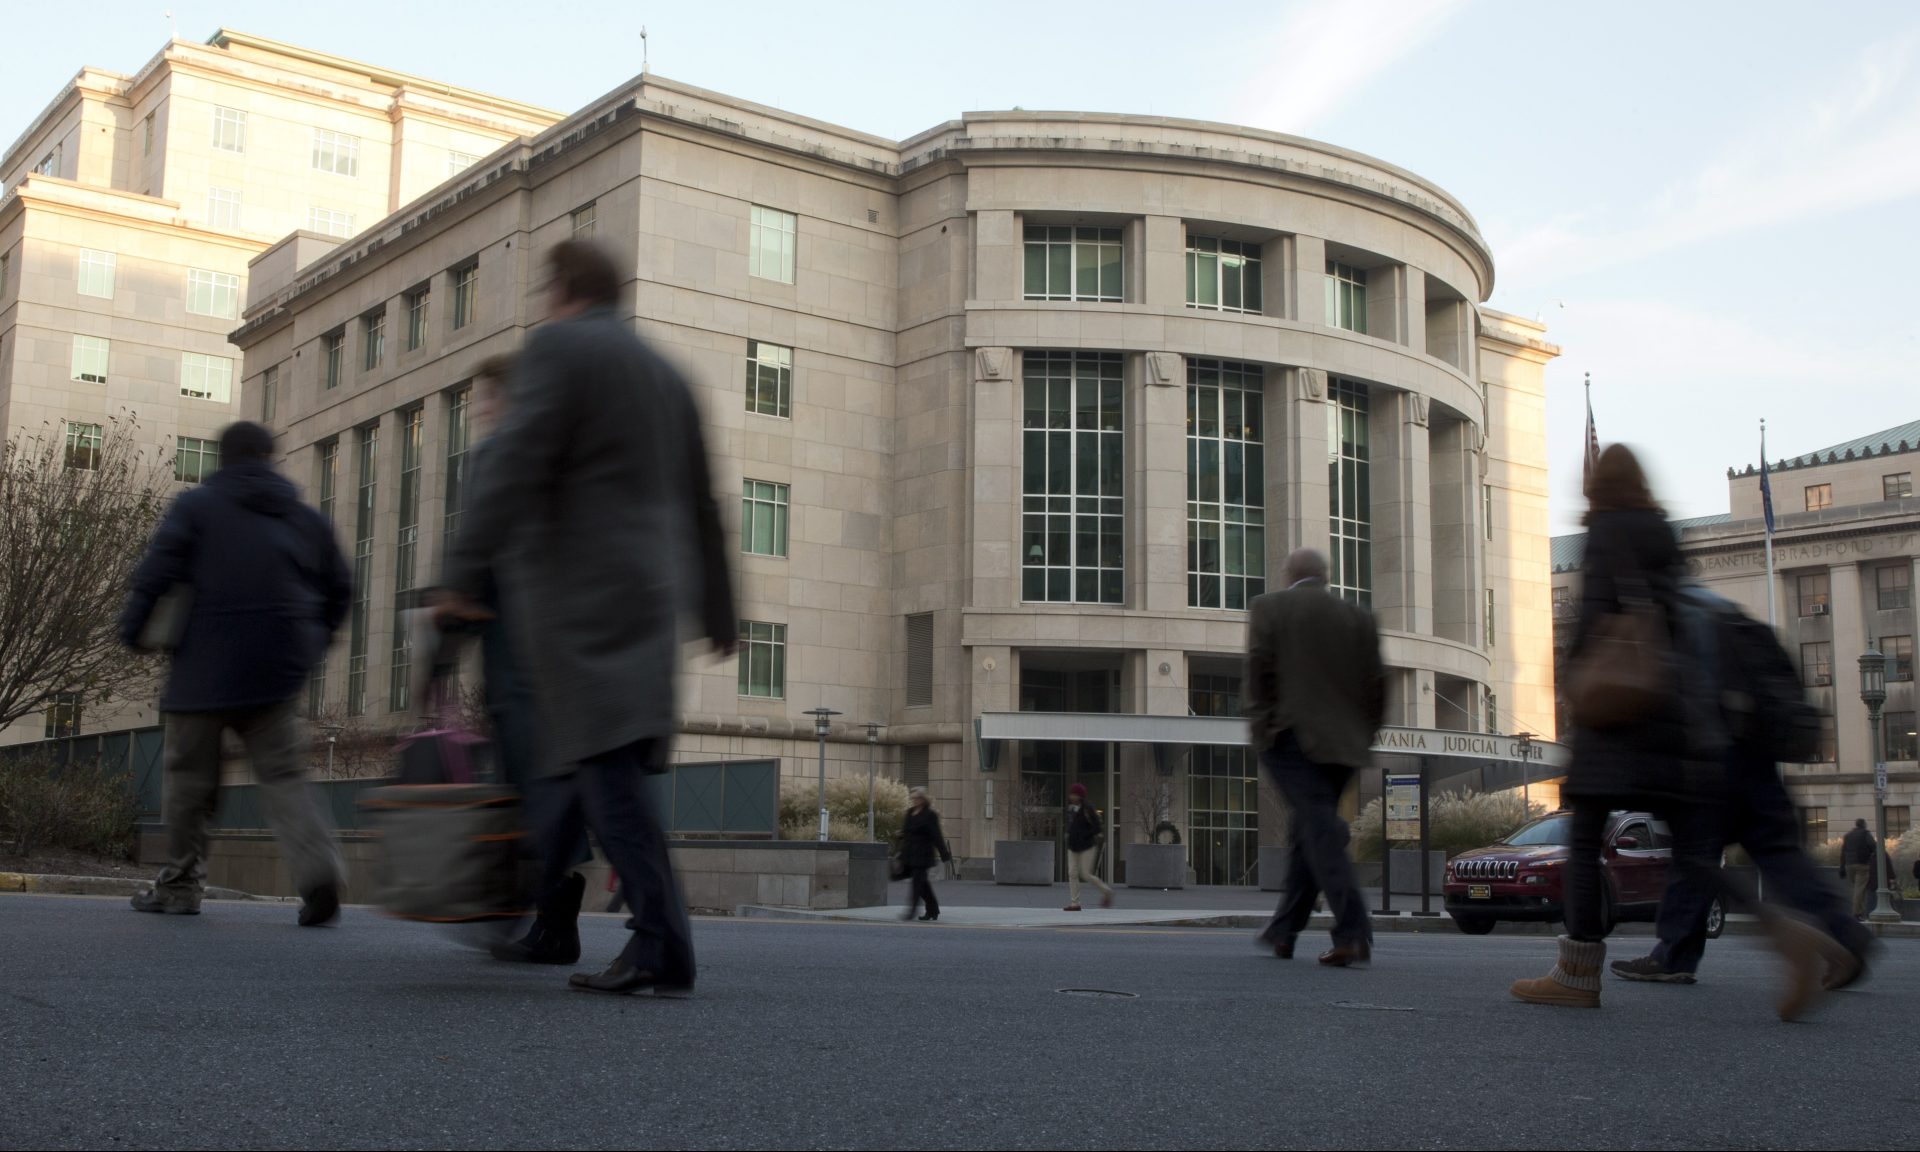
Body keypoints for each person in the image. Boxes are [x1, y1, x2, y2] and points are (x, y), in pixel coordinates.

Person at [439, 239, 735, 996]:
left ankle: (661, 943)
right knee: (610, 764)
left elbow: (514, 462)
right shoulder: (668, 372)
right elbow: (705, 502)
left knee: (605, 768)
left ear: (563, 287)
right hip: (652, 591)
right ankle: (650, 938)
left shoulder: (559, 347)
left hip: (583, 592)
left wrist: (463, 573)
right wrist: (719, 604)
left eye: (545, 289)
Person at [1514, 445, 1829, 1016]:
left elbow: (1590, 631)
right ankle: (1787, 935)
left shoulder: (1607, 534)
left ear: (1597, 487)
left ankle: (1577, 973)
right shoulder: (1664, 537)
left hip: (1616, 723)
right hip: (1676, 725)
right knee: (1694, 856)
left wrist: (1569, 681)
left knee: (1583, 841)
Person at [120, 421, 350, 926]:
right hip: (277, 668)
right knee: (286, 778)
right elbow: (341, 587)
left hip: (204, 666)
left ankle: (180, 886)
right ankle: (319, 875)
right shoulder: (304, 519)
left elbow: (156, 572)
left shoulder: (196, 508)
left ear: (221, 458)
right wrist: (313, 641)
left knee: (190, 782)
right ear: (270, 458)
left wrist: (133, 630)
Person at [1247, 547, 1384, 967]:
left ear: (1290, 575)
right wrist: (1365, 732)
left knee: (1320, 828)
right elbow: (1377, 685)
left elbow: (1259, 671)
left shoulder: (1271, 607)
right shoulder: (1359, 618)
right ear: (1324, 577)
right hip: (1346, 745)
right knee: (1311, 827)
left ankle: (1353, 927)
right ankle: (1284, 931)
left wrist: (1261, 727)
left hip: (1293, 738)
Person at [899, 786, 951, 922]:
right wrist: (900, 836)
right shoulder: (910, 812)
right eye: (912, 798)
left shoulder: (930, 815)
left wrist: (944, 853)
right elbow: (906, 832)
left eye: (917, 798)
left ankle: (911, 911)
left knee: (917, 883)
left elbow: (937, 835)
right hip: (910, 854)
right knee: (923, 884)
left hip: (923, 855)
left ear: (922, 799)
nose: (914, 800)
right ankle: (933, 909)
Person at [1063, 782, 1112, 911]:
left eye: (1075, 794)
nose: (1072, 796)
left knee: (1086, 874)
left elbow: (1097, 827)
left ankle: (1106, 891)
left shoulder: (1088, 808)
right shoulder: (1069, 808)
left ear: (1080, 796)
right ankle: (1075, 903)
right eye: (1071, 794)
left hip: (1087, 846)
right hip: (1073, 846)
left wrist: (1084, 835)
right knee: (1072, 873)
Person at [1843, 818, 1877, 920]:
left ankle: (1860, 912)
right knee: (1860, 889)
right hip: (1862, 864)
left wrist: (1842, 866)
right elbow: (1873, 846)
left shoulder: (1848, 835)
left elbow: (1843, 851)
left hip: (1849, 864)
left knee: (1856, 889)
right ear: (1863, 825)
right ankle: (1856, 913)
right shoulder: (1866, 834)